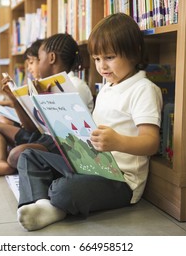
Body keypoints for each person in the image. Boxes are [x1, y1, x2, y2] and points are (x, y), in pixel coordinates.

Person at [16, 13, 163, 231]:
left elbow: (151, 143)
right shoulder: (106, 87)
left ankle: (53, 204)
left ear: (134, 52)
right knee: (29, 156)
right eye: (96, 59)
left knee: (64, 189)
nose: (102, 66)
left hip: (120, 180)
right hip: (90, 164)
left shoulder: (144, 89)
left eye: (110, 57)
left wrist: (117, 142)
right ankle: (41, 204)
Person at [0, 34, 94, 179]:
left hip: (63, 145)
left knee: (17, 154)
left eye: (38, 59)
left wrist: (44, 100)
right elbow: (31, 129)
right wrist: (15, 100)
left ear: (51, 58)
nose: (37, 65)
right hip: (43, 137)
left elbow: (69, 132)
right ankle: (1, 163)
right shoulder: (44, 84)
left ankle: (6, 161)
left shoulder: (75, 86)